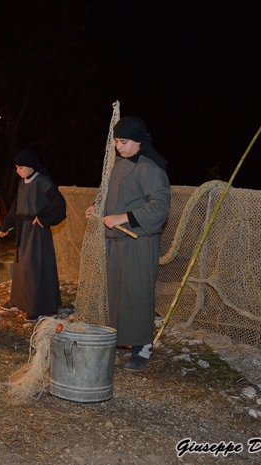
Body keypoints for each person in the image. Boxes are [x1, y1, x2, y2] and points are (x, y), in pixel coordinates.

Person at [85, 116, 170, 371]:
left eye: (123, 142)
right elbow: (107, 196)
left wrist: (125, 217)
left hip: (138, 243)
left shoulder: (152, 170)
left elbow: (160, 207)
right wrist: (95, 208)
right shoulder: (118, 167)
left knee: (137, 294)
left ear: (139, 143)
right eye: (116, 143)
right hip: (117, 243)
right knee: (117, 294)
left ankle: (142, 346)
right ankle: (120, 338)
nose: (119, 147)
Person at [0, 149, 67, 322]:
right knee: (22, 266)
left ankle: (36, 306)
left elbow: (58, 203)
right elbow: (16, 207)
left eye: (20, 167)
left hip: (37, 231)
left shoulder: (42, 182)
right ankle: (19, 301)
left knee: (34, 267)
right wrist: (5, 226)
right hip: (23, 229)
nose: (17, 171)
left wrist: (42, 217)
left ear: (30, 167)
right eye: (16, 167)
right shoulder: (22, 183)